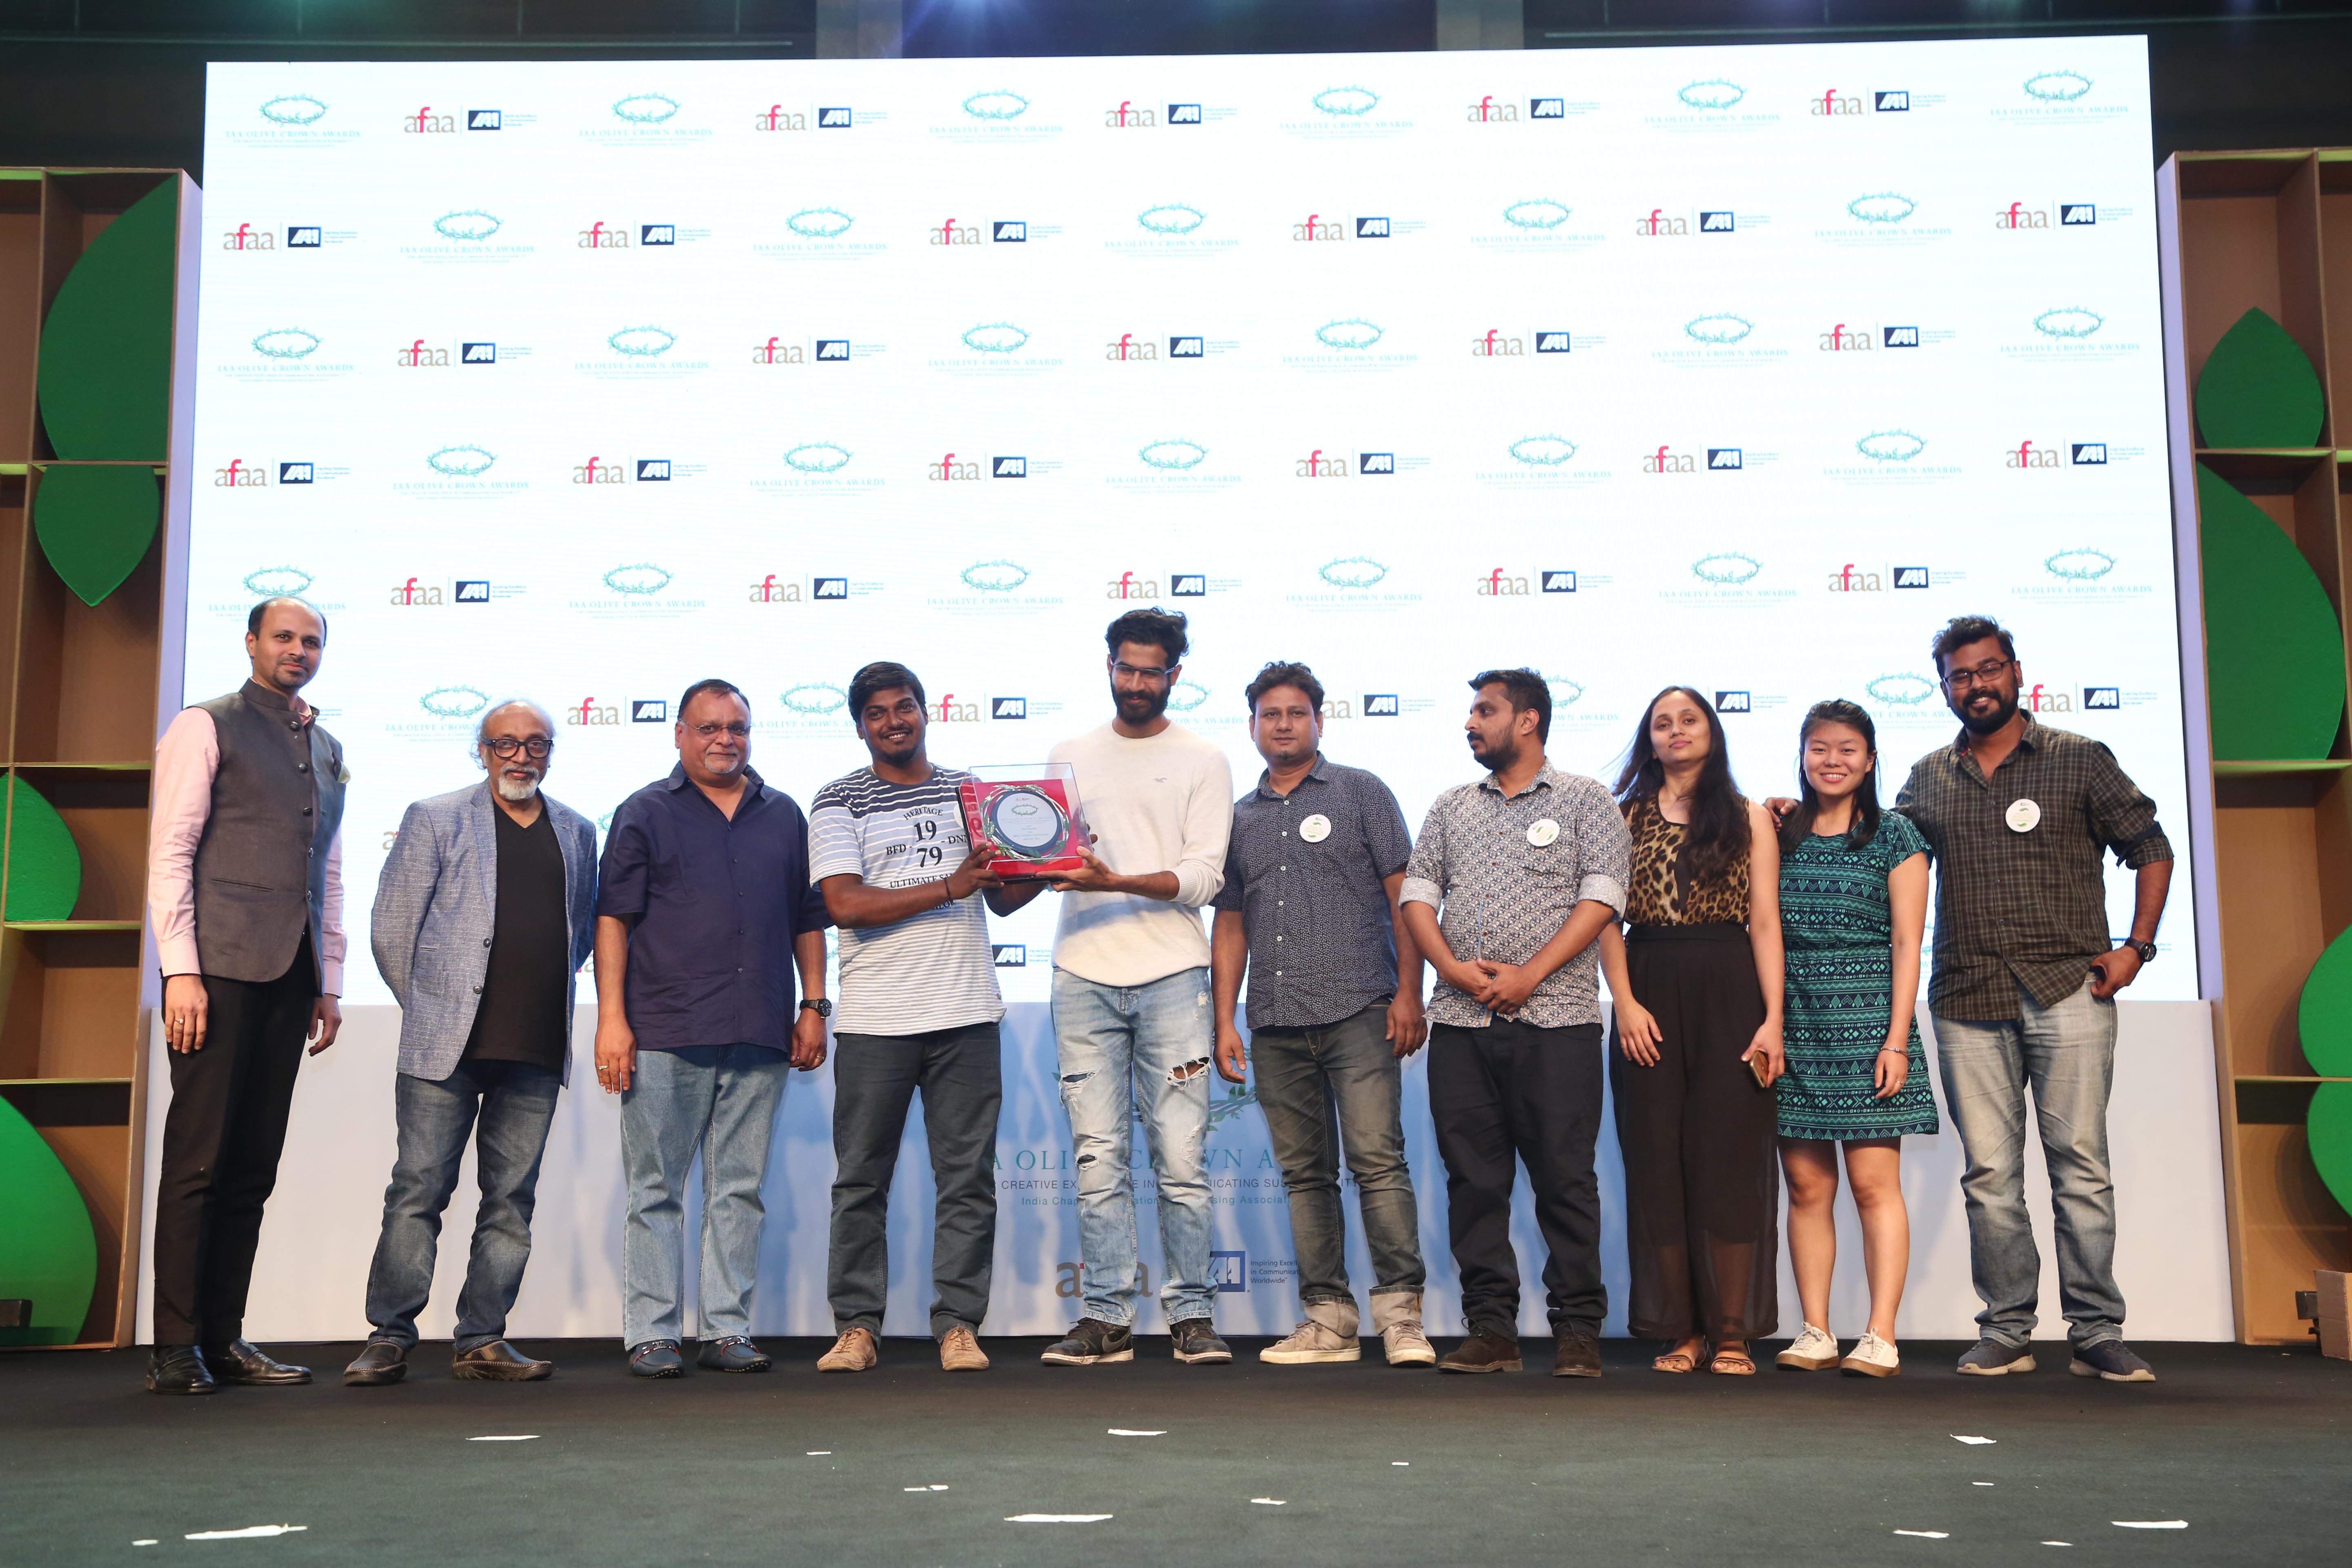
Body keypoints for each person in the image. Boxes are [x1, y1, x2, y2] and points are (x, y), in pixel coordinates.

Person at [1900, 616, 2173, 1382]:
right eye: (1960, 676)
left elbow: (2150, 847)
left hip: (2069, 990)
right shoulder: (1927, 777)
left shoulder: (2080, 758)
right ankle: (2007, 1331)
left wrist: (2137, 947)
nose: (1976, 685)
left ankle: (2096, 1331)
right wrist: (1795, 817)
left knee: (2081, 1167)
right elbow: (1882, 856)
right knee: (1990, 1177)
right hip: (1966, 994)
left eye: (1989, 669)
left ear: (2017, 673)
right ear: (1945, 689)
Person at [343, 700, 599, 1388]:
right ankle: (389, 1336)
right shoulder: (435, 817)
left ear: (551, 753)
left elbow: (578, 936)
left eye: (536, 745)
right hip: (445, 1049)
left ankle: (482, 1339)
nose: (522, 756)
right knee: (418, 1191)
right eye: (506, 743)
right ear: (482, 750)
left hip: (535, 1046)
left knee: (511, 1202)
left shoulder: (578, 831)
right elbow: (392, 929)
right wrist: (433, 1009)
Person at [808, 662, 1044, 1375]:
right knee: (861, 1182)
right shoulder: (839, 799)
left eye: (904, 706)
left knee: (967, 1180)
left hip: (966, 1014)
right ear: (861, 726)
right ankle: (857, 1327)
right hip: (876, 1021)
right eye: (878, 712)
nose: (894, 721)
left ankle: (959, 1326)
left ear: (925, 712)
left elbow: (1000, 898)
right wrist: (948, 885)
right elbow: (845, 905)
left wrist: (1049, 857)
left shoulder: (970, 793)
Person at [593, 679, 831, 1379]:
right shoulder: (644, 811)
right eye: (709, 727)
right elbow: (613, 919)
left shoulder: (783, 815)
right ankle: (652, 1334)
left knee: (739, 1188)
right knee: (655, 1190)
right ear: (680, 734)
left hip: (760, 1026)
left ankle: (727, 1329)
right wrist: (612, 1019)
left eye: (737, 727)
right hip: (665, 1027)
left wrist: (814, 1005)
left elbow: (807, 919)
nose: (726, 739)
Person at [1398, 669, 1631, 1377]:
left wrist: (1530, 975)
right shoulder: (1450, 806)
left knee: (1566, 1181)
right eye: (1472, 712)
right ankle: (1492, 1330)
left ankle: (1578, 1332)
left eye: (1485, 711)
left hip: (1557, 1022)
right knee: (1474, 1184)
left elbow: (1603, 900)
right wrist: (1452, 969)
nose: (1471, 723)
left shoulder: (1587, 799)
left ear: (1527, 720)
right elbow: (1416, 899)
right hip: (1460, 1023)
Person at [144, 597, 347, 1394]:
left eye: (312, 641)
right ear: (252, 642)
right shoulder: (205, 724)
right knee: (198, 1162)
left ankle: (222, 1339)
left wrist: (329, 982)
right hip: (217, 973)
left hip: (291, 976)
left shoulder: (326, 746)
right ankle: (174, 1347)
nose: (299, 650)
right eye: (285, 637)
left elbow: (327, 870)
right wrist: (181, 971)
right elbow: (172, 852)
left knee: (253, 1168)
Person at [1211, 662, 1434, 1367]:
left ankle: (1402, 1320)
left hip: (1360, 1009)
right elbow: (1230, 923)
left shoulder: (1362, 792)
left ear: (1318, 721)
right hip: (1275, 1021)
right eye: (1270, 714)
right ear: (1253, 726)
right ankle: (1329, 1321)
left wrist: (1409, 993)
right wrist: (1224, 1020)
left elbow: (1406, 898)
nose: (1283, 725)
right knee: (1306, 1177)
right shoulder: (1238, 818)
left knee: (1378, 1164)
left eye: (1296, 713)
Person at [1036, 608, 1235, 1368]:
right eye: (1126, 668)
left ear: (1175, 676)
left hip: (1174, 978)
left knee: (1181, 1162)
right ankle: (1107, 1318)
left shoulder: (1203, 758)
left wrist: (1114, 879)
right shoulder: (1068, 754)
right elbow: (1045, 855)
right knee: (1098, 1161)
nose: (1137, 683)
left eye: (1152, 672)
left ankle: (1192, 1315)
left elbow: (1204, 877)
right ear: (1109, 666)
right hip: (1082, 975)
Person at [1597, 686, 1784, 1377]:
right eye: (1662, 723)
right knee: (1656, 1164)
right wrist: (1624, 1002)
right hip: (1647, 987)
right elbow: (1604, 918)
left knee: (1730, 1164)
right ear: (1649, 739)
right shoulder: (1621, 816)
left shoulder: (1749, 815)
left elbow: (1765, 922)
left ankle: (1731, 1333)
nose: (1676, 731)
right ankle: (1683, 1331)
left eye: (1689, 719)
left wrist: (1773, 1020)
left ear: (1712, 732)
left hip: (1731, 988)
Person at [1770, 699, 1935, 1379]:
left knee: (1873, 1186)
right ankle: (1816, 1331)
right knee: (1807, 1187)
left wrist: (1896, 1041)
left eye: (1846, 749)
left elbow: (1908, 944)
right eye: (1819, 748)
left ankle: (1880, 1335)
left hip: (1871, 1025)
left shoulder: (1896, 835)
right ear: (1803, 756)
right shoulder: (1778, 832)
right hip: (1795, 1022)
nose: (1831, 761)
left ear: (1869, 761)